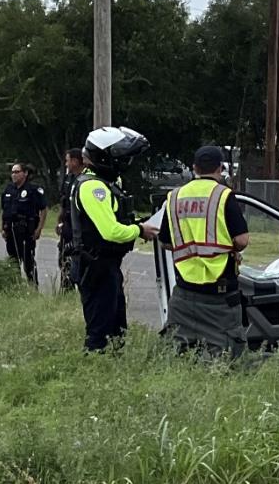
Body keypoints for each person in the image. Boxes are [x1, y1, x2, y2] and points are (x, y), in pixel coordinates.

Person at [148, 145, 251, 359]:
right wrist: (230, 249)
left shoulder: (174, 197)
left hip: (184, 291)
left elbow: (165, 242)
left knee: (179, 354)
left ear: (194, 168)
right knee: (226, 357)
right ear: (220, 168)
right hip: (220, 294)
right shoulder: (223, 196)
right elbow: (242, 240)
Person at [71, 126, 152, 352]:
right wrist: (139, 230)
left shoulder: (105, 183)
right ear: (104, 158)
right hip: (95, 266)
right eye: (121, 158)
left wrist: (140, 223)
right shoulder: (93, 187)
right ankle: (93, 365)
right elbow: (111, 232)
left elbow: (116, 219)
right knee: (99, 330)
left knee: (117, 327)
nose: (125, 163)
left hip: (106, 265)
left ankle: (111, 362)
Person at [0, 162, 48, 285]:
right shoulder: (8, 189)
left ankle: (33, 287)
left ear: (25, 173)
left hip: (26, 231)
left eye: (17, 172)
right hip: (11, 231)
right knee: (13, 262)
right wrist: (2, 228)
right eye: (12, 172)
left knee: (28, 262)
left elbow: (43, 209)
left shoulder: (33, 190)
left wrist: (39, 229)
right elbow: (3, 210)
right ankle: (15, 287)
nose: (14, 175)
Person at [55, 148, 85, 291]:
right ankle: (66, 289)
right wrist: (59, 222)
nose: (66, 164)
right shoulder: (68, 178)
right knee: (64, 257)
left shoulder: (85, 180)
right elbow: (64, 201)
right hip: (67, 224)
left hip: (79, 226)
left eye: (67, 161)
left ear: (75, 161)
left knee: (78, 259)